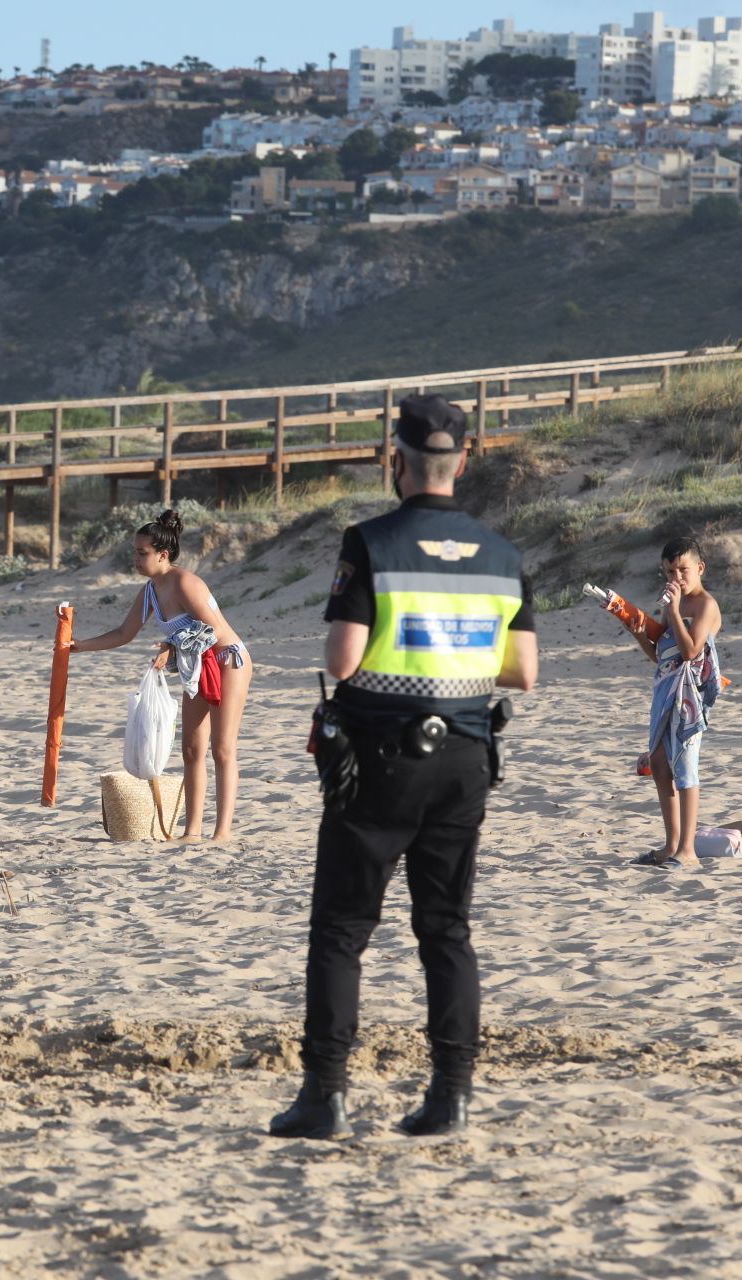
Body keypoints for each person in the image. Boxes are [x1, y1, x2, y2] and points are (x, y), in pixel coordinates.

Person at [270, 394, 538, 1142]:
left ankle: (325, 1095)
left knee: (342, 931)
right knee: (446, 932)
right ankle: (450, 1096)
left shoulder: (371, 542)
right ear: (461, 464)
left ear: (398, 461)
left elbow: (342, 659)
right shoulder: (501, 556)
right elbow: (522, 671)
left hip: (380, 762)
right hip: (465, 759)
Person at [65, 508, 252, 843]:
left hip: (227, 659)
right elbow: (124, 632)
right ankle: (192, 832)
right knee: (192, 750)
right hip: (196, 665)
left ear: (163, 555)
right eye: (134, 553)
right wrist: (79, 646)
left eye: (142, 553)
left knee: (222, 748)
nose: (135, 559)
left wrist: (170, 645)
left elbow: (214, 628)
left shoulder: (185, 582)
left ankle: (221, 832)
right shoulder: (151, 590)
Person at [632, 538, 723, 870]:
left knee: (685, 768)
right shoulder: (675, 604)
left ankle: (687, 850)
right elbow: (662, 655)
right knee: (659, 763)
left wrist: (672, 610)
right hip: (665, 690)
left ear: (699, 568)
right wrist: (639, 630)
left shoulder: (704, 605)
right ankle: (671, 844)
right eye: (670, 571)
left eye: (683, 570)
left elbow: (691, 652)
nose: (677, 577)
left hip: (690, 697)